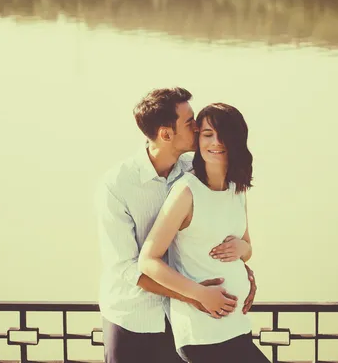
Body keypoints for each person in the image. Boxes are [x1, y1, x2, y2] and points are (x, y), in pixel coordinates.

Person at [95, 88, 258, 363]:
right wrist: (194, 295)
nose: (198, 128)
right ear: (166, 134)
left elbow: (210, 231)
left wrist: (241, 270)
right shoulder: (116, 186)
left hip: (186, 322)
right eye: (190, 122)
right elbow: (127, 268)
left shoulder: (195, 169)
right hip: (133, 319)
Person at [138, 103, 269, 363]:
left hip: (238, 325)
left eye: (223, 135)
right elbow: (148, 261)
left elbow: (247, 247)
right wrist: (199, 294)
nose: (216, 142)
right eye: (208, 134)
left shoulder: (237, 188)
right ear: (198, 139)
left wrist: (244, 250)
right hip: (203, 332)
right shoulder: (186, 191)